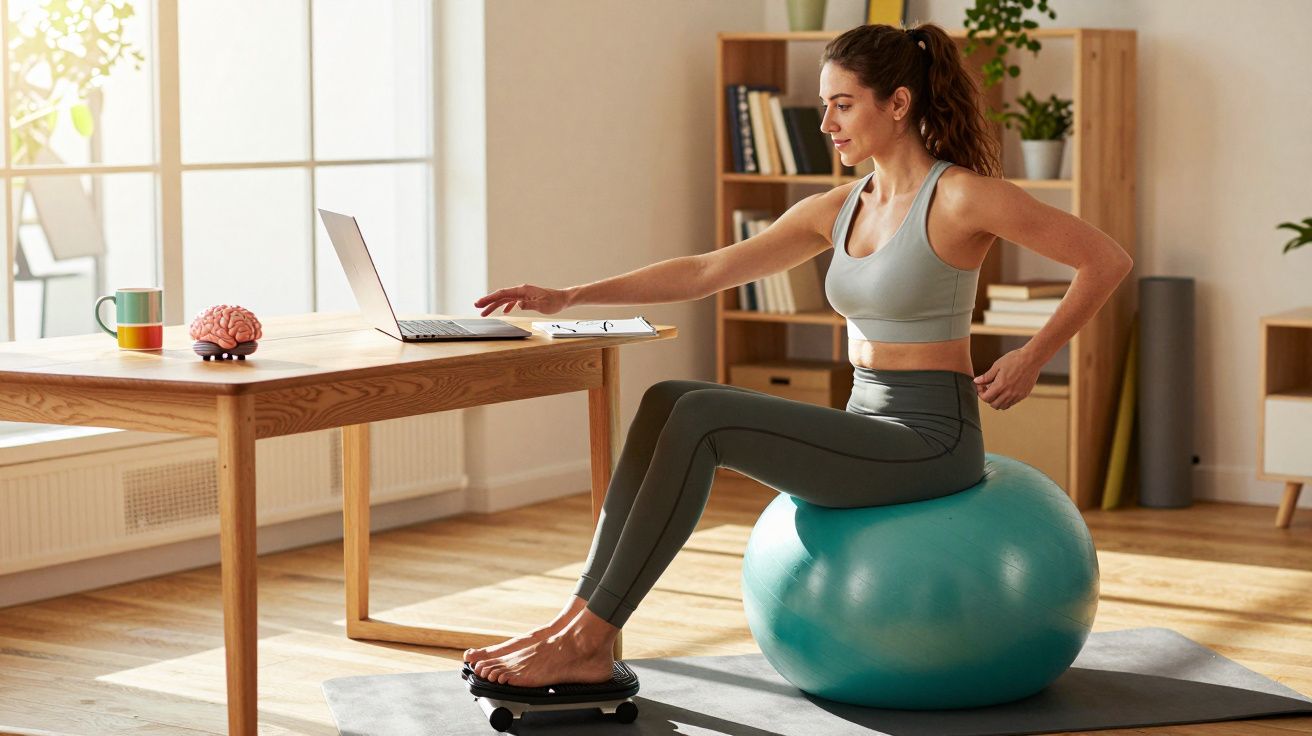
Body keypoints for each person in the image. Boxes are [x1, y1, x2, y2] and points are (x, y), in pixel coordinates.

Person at [463, 22, 1132, 688]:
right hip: (865, 417)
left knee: (704, 420)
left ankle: (590, 638)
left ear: (897, 104)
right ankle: (574, 621)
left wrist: (1031, 355)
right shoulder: (840, 207)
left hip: (931, 437)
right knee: (668, 399)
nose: (827, 124)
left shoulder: (961, 196)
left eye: (843, 105)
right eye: (824, 107)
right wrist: (570, 295)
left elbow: (1104, 259)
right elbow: (705, 271)